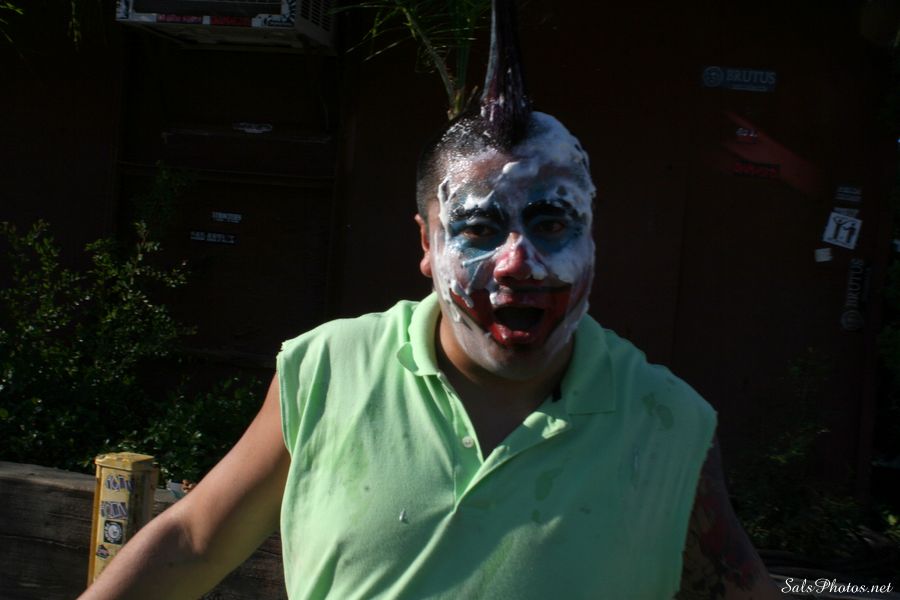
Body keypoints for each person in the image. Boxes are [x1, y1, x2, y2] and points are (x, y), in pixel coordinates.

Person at [80, 2, 782, 598]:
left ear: (592, 238)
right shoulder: (329, 371)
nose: (517, 262)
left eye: (551, 223)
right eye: (478, 229)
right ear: (426, 243)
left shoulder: (668, 424)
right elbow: (194, 541)